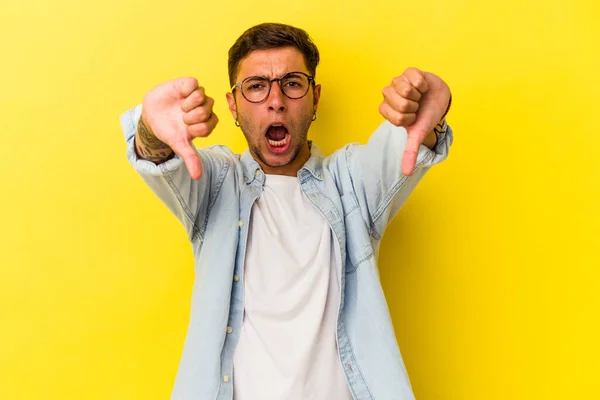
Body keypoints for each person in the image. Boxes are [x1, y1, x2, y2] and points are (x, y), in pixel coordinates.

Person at [119, 22, 453, 400]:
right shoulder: (215, 184)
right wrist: (151, 130)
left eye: (292, 83)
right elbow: (159, 159)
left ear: (315, 98)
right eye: (256, 86)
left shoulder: (352, 182)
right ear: (233, 104)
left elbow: (408, 141)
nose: (275, 100)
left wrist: (430, 112)